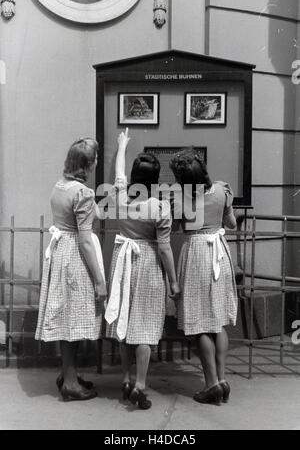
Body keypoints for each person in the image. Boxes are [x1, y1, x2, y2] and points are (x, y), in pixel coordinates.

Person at [104, 128, 181, 410]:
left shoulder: (121, 197)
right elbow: (164, 249)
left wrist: (122, 145)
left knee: (124, 323)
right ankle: (140, 384)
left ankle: (125, 378)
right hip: (148, 265)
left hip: (122, 262)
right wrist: (173, 282)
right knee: (145, 327)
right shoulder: (159, 207)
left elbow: (118, 174)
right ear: (156, 179)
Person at [35, 138, 107, 402]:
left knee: (68, 317)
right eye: (96, 158)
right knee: (74, 320)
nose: (97, 162)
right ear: (88, 164)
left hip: (60, 253)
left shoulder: (61, 186)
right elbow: (86, 241)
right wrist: (99, 280)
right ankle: (70, 383)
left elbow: (91, 214)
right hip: (75, 257)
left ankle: (69, 374)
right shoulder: (83, 193)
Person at [169, 148, 237, 405]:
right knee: (217, 320)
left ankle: (212, 385)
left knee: (200, 324)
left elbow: (174, 227)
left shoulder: (180, 198)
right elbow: (231, 225)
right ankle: (222, 379)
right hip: (219, 252)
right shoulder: (222, 190)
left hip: (196, 253)